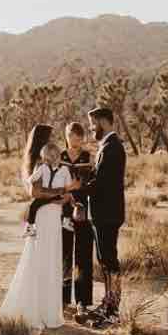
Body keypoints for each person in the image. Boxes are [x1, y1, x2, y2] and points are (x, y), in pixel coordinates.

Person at [0, 124, 80, 334]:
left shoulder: (55, 167)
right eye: (49, 138)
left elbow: (62, 195)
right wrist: (59, 193)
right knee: (40, 259)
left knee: (50, 260)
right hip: (44, 219)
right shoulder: (38, 164)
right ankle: (38, 310)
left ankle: (48, 312)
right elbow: (35, 193)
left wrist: (63, 197)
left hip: (53, 219)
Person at [83, 106, 126, 328]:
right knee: (105, 260)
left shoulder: (113, 148)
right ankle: (108, 304)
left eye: (94, 123)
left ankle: (112, 310)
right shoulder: (107, 146)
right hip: (103, 213)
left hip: (108, 213)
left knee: (109, 260)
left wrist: (78, 188)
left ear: (104, 121)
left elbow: (103, 183)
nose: (91, 128)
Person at [60, 122, 95, 323]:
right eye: (72, 136)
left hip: (82, 210)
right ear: (66, 136)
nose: (76, 140)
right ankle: (62, 299)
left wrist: (82, 192)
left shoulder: (88, 158)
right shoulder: (59, 157)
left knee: (83, 256)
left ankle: (82, 302)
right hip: (61, 210)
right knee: (63, 254)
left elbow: (93, 183)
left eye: (79, 137)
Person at [22, 141, 66, 237]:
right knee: (33, 205)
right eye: (51, 156)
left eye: (57, 156)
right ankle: (30, 226)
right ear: (45, 158)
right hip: (45, 194)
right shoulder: (42, 168)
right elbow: (32, 178)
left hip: (55, 193)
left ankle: (66, 220)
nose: (54, 159)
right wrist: (31, 181)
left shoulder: (61, 168)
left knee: (65, 199)